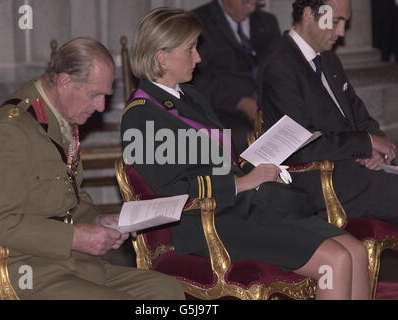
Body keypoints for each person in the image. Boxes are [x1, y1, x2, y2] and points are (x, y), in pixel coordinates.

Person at [122, 7, 369, 300]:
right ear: (161, 56)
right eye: (190, 49)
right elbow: (171, 190)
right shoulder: (142, 116)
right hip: (206, 221)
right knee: (336, 260)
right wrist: (242, 183)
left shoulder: (189, 97)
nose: (198, 58)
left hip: (241, 209)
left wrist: (258, 165)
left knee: (355, 251)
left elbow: (218, 158)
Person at [0, 37, 184, 300]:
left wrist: (97, 220)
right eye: (95, 95)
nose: (101, 107)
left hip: (71, 265)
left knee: (166, 290)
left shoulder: (58, 119)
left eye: (105, 96)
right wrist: (74, 238)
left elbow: (69, 197)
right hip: (23, 271)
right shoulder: (10, 132)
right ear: (64, 82)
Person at [259, 0, 398, 225]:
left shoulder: (328, 58)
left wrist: (375, 149)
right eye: (335, 22)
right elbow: (302, 144)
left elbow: (358, 114)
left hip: (351, 171)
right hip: (318, 179)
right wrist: (366, 143)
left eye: (344, 22)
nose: (341, 32)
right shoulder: (281, 64)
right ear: (308, 14)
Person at [192, 0, 281, 154]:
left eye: (256, 2)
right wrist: (239, 102)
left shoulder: (268, 21)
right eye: (246, 2)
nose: (252, 8)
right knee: (248, 143)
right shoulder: (197, 21)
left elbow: (278, 69)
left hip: (267, 105)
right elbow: (197, 78)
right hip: (222, 110)